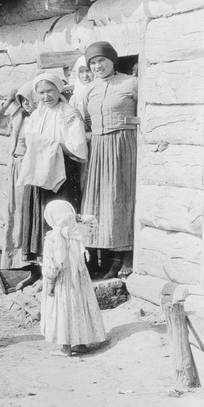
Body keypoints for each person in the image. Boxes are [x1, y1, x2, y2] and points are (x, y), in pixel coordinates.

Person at [11, 72, 87, 271]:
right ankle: (42, 267)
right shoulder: (36, 115)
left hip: (61, 169)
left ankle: (63, 265)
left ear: (58, 90)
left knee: (59, 213)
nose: (46, 96)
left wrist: (49, 145)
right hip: (38, 170)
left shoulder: (69, 113)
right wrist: (39, 148)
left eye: (50, 91)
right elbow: (30, 142)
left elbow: (77, 146)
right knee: (39, 213)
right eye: (42, 92)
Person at [80, 41, 138, 279]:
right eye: (92, 63)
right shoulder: (89, 90)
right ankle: (107, 260)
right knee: (102, 202)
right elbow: (84, 120)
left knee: (122, 197)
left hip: (124, 145)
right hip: (99, 149)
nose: (97, 66)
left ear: (113, 59)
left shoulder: (130, 82)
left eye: (101, 60)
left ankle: (127, 257)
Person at [40, 199, 107, 357]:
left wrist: (50, 283)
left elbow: (51, 265)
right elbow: (93, 223)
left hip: (62, 281)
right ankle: (81, 343)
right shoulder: (77, 231)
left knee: (63, 309)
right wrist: (77, 218)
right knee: (79, 307)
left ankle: (66, 347)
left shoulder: (53, 238)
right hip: (80, 279)